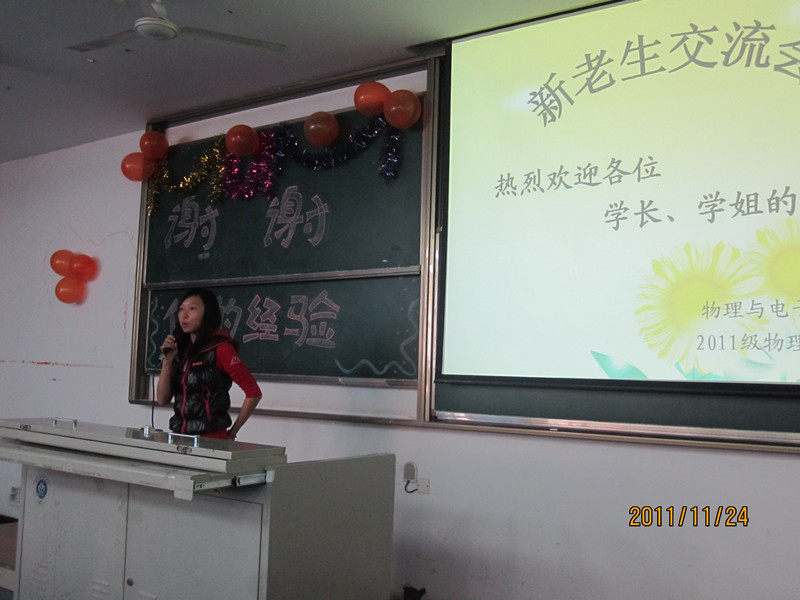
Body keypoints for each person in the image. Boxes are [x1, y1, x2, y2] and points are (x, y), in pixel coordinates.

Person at [156, 287, 261, 440]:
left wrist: (233, 432)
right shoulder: (181, 349)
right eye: (181, 309)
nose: (184, 315)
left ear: (208, 313)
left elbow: (253, 393)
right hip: (180, 437)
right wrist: (167, 362)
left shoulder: (221, 348)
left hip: (211, 438)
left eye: (192, 309)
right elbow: (162, 399)